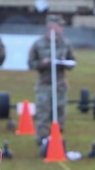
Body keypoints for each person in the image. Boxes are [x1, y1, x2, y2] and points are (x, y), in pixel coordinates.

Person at [27, 15, 75, 147]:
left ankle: (56, 140)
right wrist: (42, 63)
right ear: (51, 27)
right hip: (44, 85)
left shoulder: (65, 43)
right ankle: (42, 141)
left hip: (60, 85)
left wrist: (65, 62)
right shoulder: (38, 44)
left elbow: (73, 62)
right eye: (60, 26)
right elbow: (31, 63)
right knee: (43, 114)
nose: (62, 28)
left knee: (60, 114)